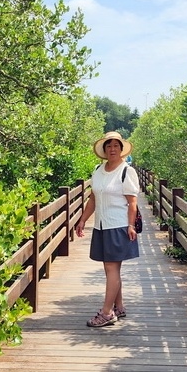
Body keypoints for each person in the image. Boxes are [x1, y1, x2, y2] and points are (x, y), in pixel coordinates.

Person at [75, 131, 140, 327]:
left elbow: (132, 202)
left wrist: (130, 225)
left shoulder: (127, 171)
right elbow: (93, 198)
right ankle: (118, 306)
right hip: (101, 225)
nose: (112, 149)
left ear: (121, 149)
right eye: (109, 146)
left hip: (118, 225)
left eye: (116, 146)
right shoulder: (98, 169)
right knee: (111, 269)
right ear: (104, 150)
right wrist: (82, 220)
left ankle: (107, 312)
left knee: (111, 268)